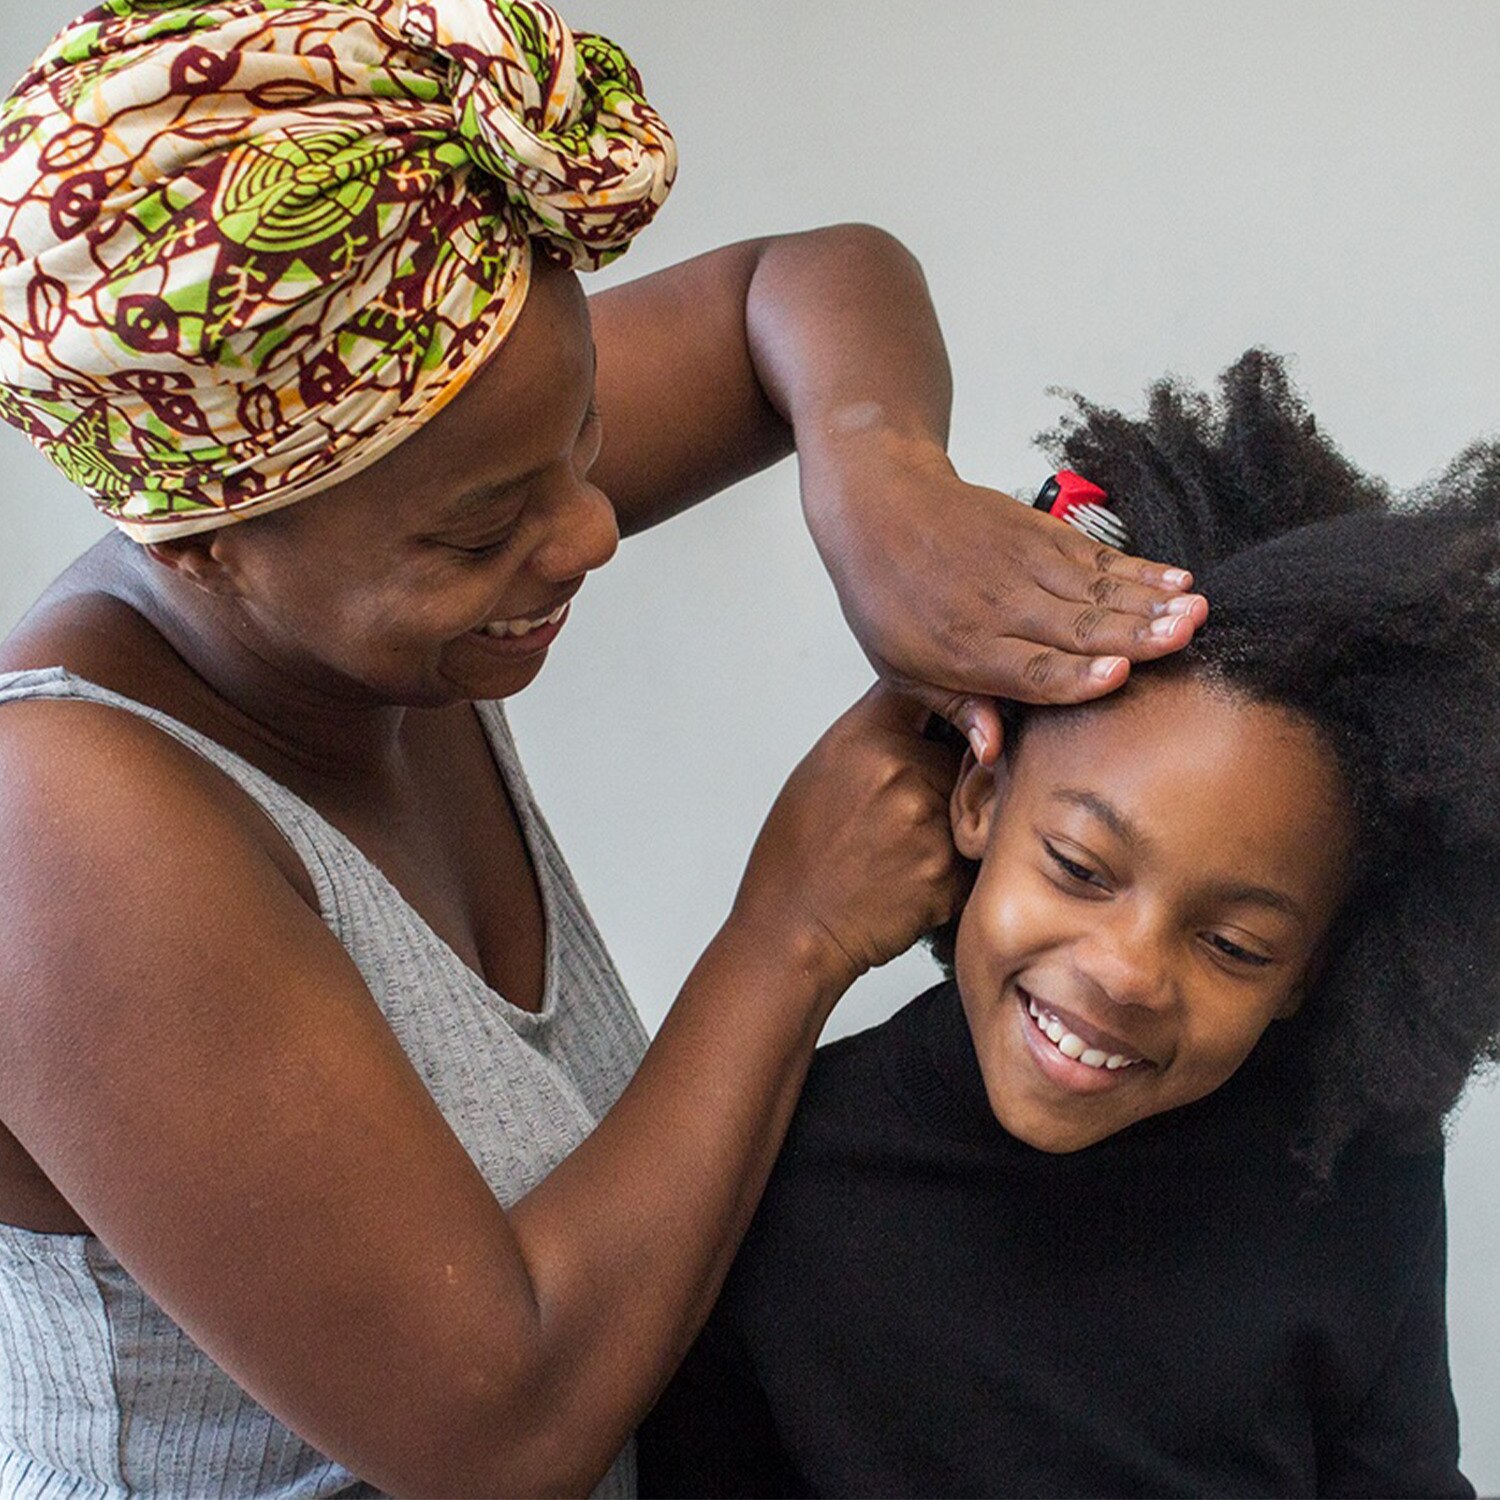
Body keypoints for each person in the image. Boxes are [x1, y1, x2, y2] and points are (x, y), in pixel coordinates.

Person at [0, 3, 1207, 1497]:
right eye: (482, 531)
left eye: (579, 440)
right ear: (207, 551)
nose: (585, 529)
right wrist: (794, 930)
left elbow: (805, 277)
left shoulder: (421, 444)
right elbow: (500, 1434)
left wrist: (876, 481)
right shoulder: (52, 831)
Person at [638, 351, 1500, 1499]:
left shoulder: (1354, 1166)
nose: (1128, 973)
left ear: (1312, 970)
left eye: (1236, 945)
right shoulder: (780, 1169)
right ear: (981, 798)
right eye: (1083, 867)